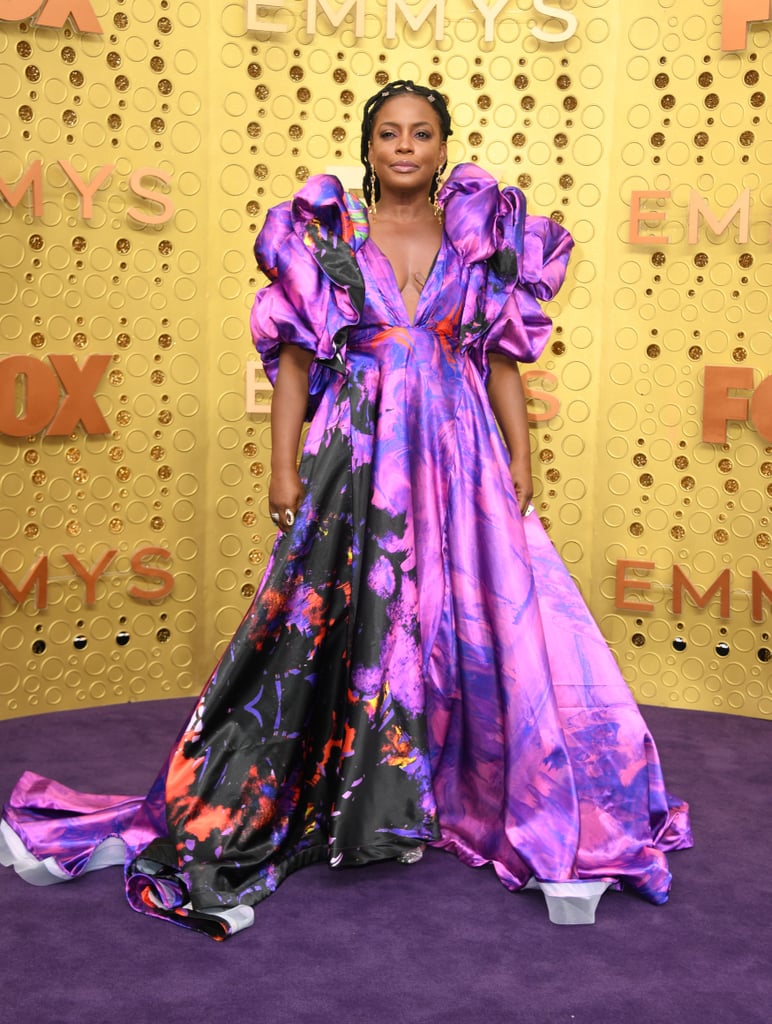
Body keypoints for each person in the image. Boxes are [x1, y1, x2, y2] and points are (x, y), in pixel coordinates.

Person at [0, 81, 692, 939]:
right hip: (355, 451)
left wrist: (522, 453)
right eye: (390, 134)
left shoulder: (475, 238)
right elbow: (294, 360)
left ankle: (445, 792)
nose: (406, 146)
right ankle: (344, 793)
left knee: (468, 621)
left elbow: (501, 360)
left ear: (444, 148)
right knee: (328, 620)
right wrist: (281, 466)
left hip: (457, 448)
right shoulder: (328, 239)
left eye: (423, 133)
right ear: (369, 149)